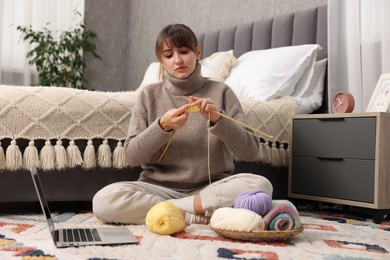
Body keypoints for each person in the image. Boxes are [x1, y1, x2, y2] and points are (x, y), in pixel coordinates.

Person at [92, 24, 273, 225]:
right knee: (103, 201)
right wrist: (161, 127)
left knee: (261, 185)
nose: (177, 60)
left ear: (197, 51)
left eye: (184, 52)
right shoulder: (148, 95)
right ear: (162, 61)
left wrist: (219, 120)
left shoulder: (222, 92)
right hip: (158, 189)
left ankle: (171, 211)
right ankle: (194, 213)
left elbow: (251, 152)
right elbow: (132, 156)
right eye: (169, 55)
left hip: (210, 188)